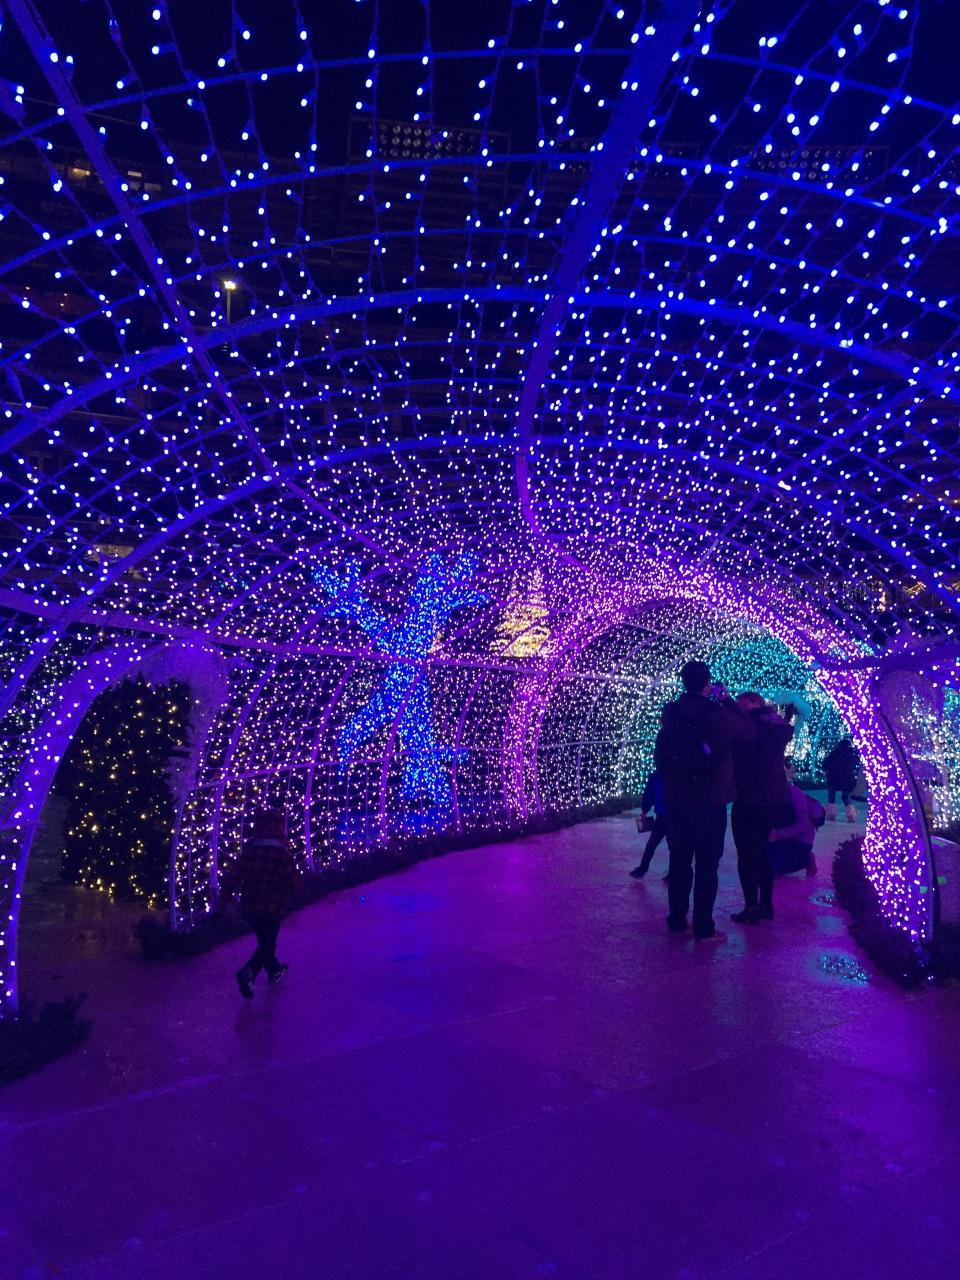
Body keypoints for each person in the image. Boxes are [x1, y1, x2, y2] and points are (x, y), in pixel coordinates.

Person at [655, 660, 754, 942]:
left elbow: (661, 755)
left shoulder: (671, 713)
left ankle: (676, 921)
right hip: (710, 800)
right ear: (707, 683)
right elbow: (748, 733)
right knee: (707, 865)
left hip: (677, 799)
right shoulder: (717, 714)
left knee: (679, 861)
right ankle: (703, 927)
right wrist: (727, 700)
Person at [219, 804, 302, 999]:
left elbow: (234, 875)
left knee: (264, 940)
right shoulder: (281, 853)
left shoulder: (250, 850)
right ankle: (249, 971)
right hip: (272, 906)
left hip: (249, 906)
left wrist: (225, 897)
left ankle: (274, 970)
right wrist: (296, 893)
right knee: (268, 944)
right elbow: (293, 880)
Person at [729, 693, 794, 924]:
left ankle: (751, 907)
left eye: (743, 702)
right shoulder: (776, 726)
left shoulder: (749, 727)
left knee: (746, 854)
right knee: (764, 851)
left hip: (749, 797)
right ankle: (766, 904)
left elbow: (738, 757)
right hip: (771, 799)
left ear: (755, 704)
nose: (740, 707)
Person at [769, 781, 826, 877]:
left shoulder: (794, 794)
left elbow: (803, 825)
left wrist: (777, 834)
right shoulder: (766, 792)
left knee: (773, 867)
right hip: (782, 836)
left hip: (800, 841)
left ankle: (806, 859)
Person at [629, 771, 669, 879]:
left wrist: (644, 810)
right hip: (666, 817)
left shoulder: (656, 776)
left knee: (653, 844)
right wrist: (644, 810)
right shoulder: (657, 776)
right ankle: (643, 868)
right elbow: (649, 794)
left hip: (668, 816)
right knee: (653, 844)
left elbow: (649, 794)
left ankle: (643, 869)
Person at [822, 737, 859, 822]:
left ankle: (831, 814)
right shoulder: (852, 755)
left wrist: (828, 772)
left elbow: (825, 764)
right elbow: (854, 766)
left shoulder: (834, 753)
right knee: (846, 797)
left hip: (834, 778)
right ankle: (851, 815)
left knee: (832, 796)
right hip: (848, 779)